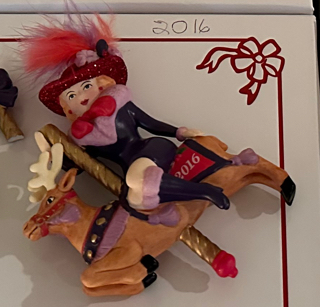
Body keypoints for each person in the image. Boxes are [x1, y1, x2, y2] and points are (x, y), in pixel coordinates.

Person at [25, 16, 231, 212]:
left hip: (151, 149)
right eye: (71, 96)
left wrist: (179, 132)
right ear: (68, 108)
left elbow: (150, 123)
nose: (80, 96)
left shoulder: (122, 107)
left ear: (103, 84)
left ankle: (207, 192)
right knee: (133, 201)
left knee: (135, 180)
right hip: (129, 167)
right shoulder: (85, 135)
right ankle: (182, 204)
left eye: (86, 86)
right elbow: (81, 165)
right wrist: (54, 156)